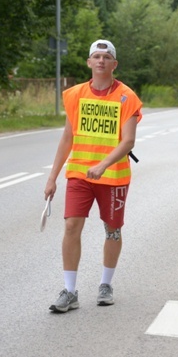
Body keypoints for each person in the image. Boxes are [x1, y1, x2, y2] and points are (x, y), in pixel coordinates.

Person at [44, 39, 143, 313]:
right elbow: (67, 137)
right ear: (89, 62)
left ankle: (105, 284)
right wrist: (52, 178)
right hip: (79, 174)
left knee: (112, 231)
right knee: (71, 227)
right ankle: (70, 291)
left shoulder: (127, 97)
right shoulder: (75, 95)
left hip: (113, 178)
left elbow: (128, 141)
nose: (101, 61)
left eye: (106, 57)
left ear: (114, 64)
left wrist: (103, 165)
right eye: (96, 56)